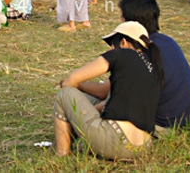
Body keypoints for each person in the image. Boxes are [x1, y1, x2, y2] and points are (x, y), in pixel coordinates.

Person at [79, 0, 190, 134]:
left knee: (79, 102)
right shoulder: (167, 41)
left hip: (162, 126)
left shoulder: (139, 51)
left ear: (130, 24)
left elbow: (104, 92)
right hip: (187, 120)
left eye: (122, 18)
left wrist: (76, 83)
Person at [54, 21, 163, 160]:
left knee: (65, 95)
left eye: (113, 44)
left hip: (116, 142)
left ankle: (62, 154)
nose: (112, 48)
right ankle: (71, 141)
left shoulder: (121, 55)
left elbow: (72, 79)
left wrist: (69, 84)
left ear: (123, 42)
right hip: (141, 148)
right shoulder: (154, 68)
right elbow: (103, 95)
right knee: (86, 98)